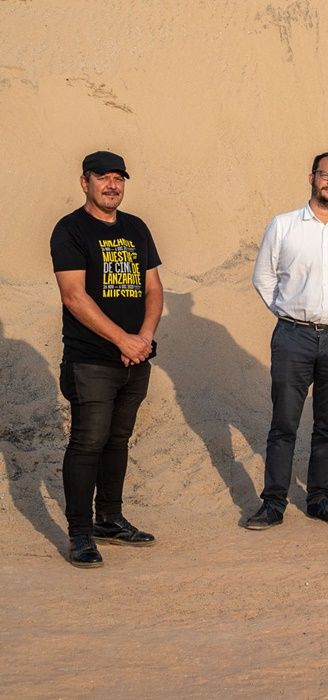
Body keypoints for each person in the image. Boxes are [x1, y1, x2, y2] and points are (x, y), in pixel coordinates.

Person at [247, 152, 328, 529]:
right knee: (284, 423)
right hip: (293, 338)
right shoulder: (285, 225)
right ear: (311, 177)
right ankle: (273, 503)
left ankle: (320, 498)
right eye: (325, 174)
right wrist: (288, 313)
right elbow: (263, 277)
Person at [50, 150, 163, 568]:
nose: (112, 185)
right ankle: (79, 534)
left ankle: (110, 519)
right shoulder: (70, 230)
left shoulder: (136, 228)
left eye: (118, 178)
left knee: (117, 441)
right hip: (91, 360)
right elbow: (73, 296)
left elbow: (154, 287)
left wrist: (144, 338)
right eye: (103, 178)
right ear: (85, 182)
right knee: (87, 442)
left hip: (136, 358)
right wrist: (122, 339)